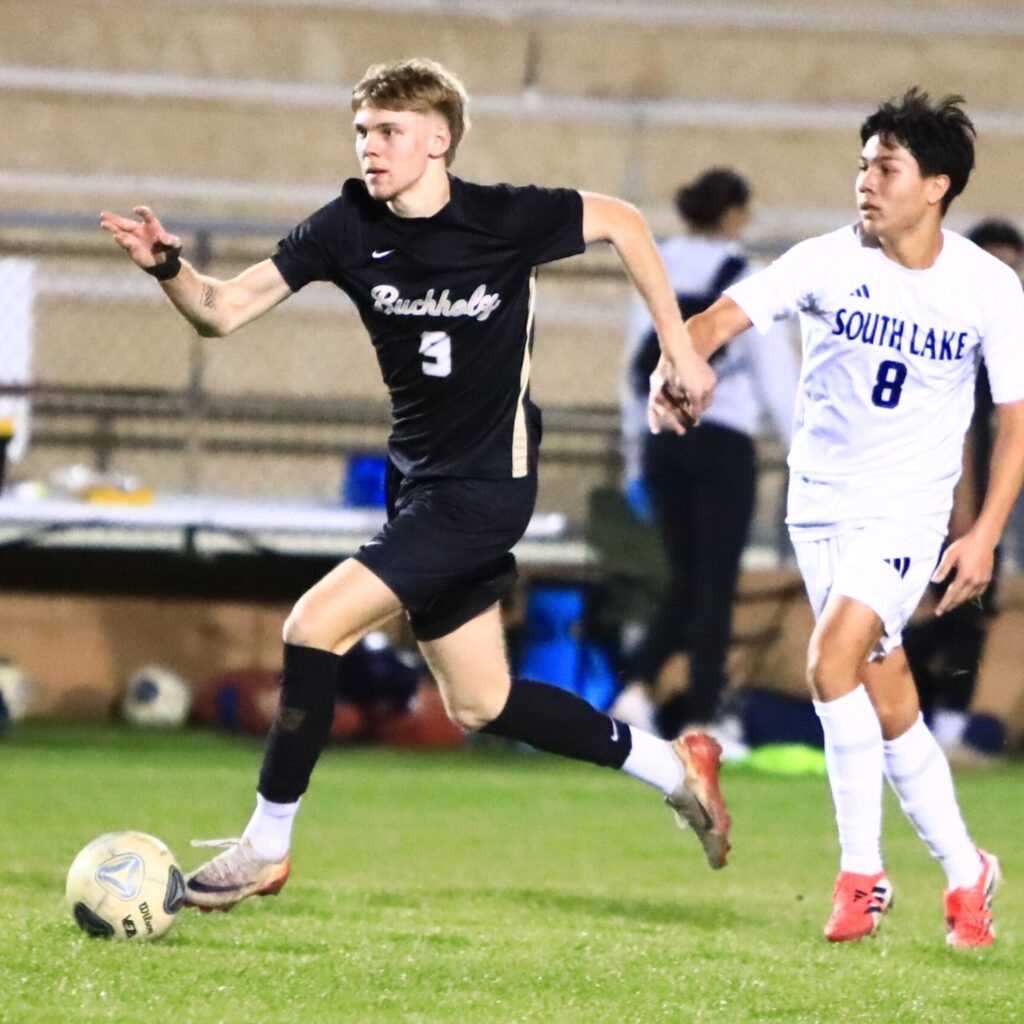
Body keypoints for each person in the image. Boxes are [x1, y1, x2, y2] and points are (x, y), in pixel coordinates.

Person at [100, 58, 730, 909]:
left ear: (439, 140)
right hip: (419, 488)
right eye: (363, 131)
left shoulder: (503, 218)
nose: (370, 147)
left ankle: (266, 845)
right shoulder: (346, 225)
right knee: (481, 702)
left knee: (313, 626)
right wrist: (168, 267)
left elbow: (622, 220)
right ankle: (673, 765)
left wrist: (679, 351)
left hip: (487, 489)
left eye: (389, 131)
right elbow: (222, 310)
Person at [651, 88, 1024, 947]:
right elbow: (716, 320)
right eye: (862, 165)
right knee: (890, 704)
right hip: (820, 508)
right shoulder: (825, 259)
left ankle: (862, 876)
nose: (866, 181)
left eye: (886, 168)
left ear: (936, 186)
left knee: (830, 662)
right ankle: (967, 872)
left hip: (906, 512)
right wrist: (674, 369)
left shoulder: (987, 287)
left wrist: (983, 533)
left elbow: (1015, 422)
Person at [615, 169, 797, 744]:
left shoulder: (659, 267)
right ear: (735, 214)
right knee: (715, 584)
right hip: (723, 440)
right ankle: (701, 717)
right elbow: (775, 376)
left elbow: (636, 366)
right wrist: (802, 451)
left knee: (686, 579)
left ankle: (636, 688)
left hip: (665, 438)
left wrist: (635, 455)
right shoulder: (743, 275)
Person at [903, 219, 1024, 765]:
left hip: (961, 491)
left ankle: (927, 724)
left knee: (960, 614)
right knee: (963, 613)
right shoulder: (960, 338)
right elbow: (965, 433)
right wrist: (969, 517)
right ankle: (940, 727)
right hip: (948, 494)